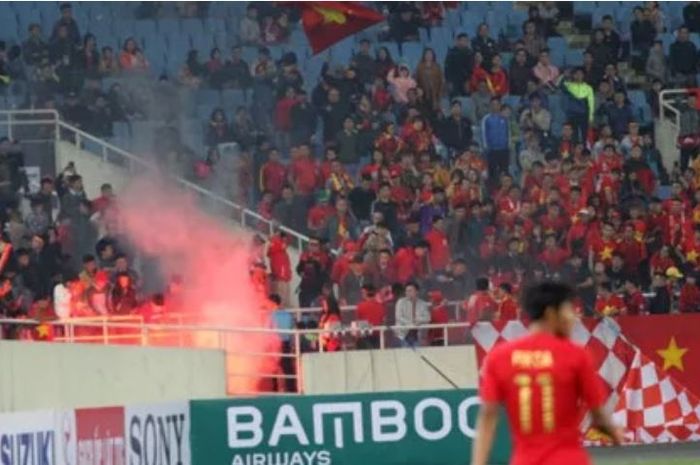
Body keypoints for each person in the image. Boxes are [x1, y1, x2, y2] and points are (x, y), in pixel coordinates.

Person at [471, 281, 623, 465]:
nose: (573, 317)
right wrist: (615, 434)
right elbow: (598, 414)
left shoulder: (499, 358)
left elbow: (488, 416)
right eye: (569, 310)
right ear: (552, 313)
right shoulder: (575, 355)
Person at [268, 293, 296, 392]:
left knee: (274, 367)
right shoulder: (288, 315)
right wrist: (293, 345)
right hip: (286, 343)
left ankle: (275, 388)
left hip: (276, 344)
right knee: (287, 368)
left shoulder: (271, 316)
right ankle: (292, 389)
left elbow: (268, 331)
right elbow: (292, 330)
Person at [481, 97, 510, 181]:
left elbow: (509, 132)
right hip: (491, 150)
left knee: (504, 173)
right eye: (493, 104)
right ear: (490, 106)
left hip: (504, 150)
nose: (495, 106)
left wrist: (508, 145)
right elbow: (483, 133)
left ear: (500, 105)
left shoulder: (505, 118)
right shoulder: (486, 119)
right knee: (492, 174)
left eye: (497, 104)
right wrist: (486, 147)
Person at [394, 281, 430, 347]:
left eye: (410, 291)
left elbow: (427, 318)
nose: (407, 293)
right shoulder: (401, 302)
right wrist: (411, 323)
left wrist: (418, 321)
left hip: (417, 335)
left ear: (417, 291)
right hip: (403, 334)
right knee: (405, 355)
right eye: (406, 291)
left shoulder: (422, 304)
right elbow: (399, 317)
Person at [355, 283, 385, 348]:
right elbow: (382, 321)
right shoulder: (381, 306)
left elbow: (359, 323)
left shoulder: (361, 306)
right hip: (377, 338)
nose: (362, 294)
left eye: (363, 292)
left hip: (365, 337)